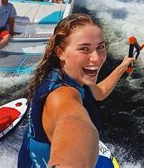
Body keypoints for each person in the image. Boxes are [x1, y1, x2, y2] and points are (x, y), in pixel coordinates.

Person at [17, 13, 135, 167]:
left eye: (100, 47)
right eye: (84, 49)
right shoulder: (62, 97)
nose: (98, 59)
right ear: (60, 52)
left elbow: (99, 92)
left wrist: (123, 65)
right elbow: (73, 122)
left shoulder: (66, 74)